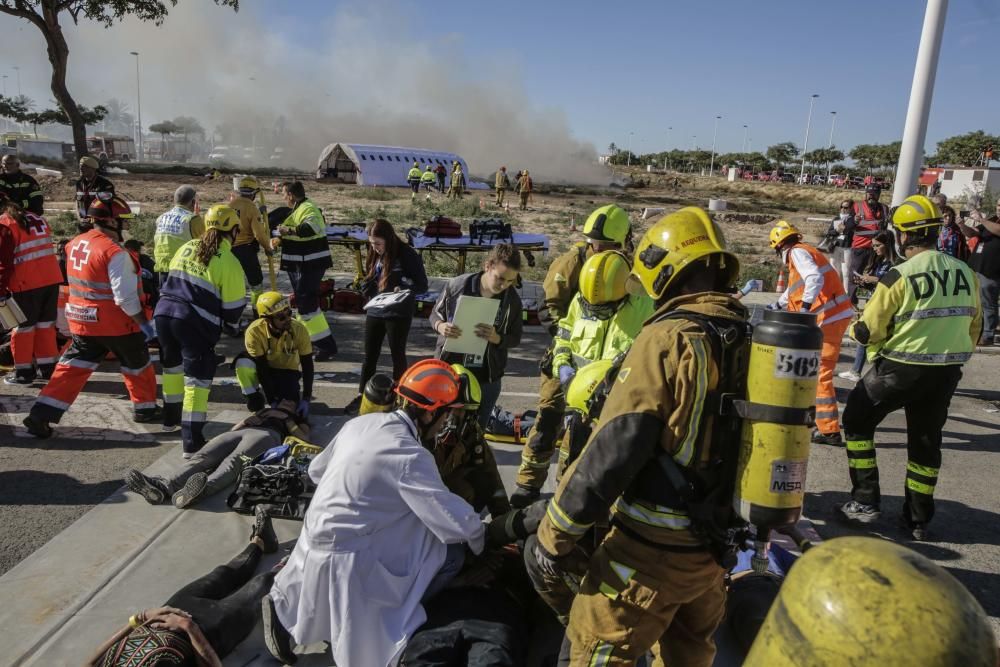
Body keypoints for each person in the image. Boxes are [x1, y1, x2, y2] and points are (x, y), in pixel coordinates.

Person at [534, 207, 747, 666]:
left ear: (663, 269)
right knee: (689, 654)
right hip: (711, 554)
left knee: (592, 646)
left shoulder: (667, 337)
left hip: (650, 553)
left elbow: (618, 443)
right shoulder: (750, 338)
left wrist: (554, 534)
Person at [263, 359, 486, 666]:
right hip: (350, 560)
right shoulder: (410, 455)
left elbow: (316, 470)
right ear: (430, 411)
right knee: (450, 554)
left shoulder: (359, 424)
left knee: (405, 520)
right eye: (447, 413)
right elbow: (452, 520)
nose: (447, 422)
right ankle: (401, 615)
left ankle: (283, 613)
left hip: (311, 542)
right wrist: (482, 536)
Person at [837, 195, 981, 541]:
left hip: (899, 368)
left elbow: (868, 330)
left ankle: (865, 501)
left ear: (902, 236)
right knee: (926, 441)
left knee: (856, 421)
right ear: (934, 231)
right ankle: (917, 520)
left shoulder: (900, 276)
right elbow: (975, 325)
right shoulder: (965, 273)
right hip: (946, 371)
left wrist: (848, 327)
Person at [514, 204, 632, 507]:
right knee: (547, 423)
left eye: (610, 247)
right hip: (565, 360)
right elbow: (549, 308)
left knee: (580, 437)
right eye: (598, 246)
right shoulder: (573, 263)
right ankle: (527, 487)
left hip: (599, 372)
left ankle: (565, 494)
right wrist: (565, 353)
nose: (602, 252)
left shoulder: (627, 269)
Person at [23, 196, 159, 439]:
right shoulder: (115, 252)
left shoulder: (75, 243)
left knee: (71, 369)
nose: (125, 226)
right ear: (109, 220)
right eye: (122, 221)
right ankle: (146, 410)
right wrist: (145, 326)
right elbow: (125, 298)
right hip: (118, 324)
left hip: (81, 320)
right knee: (137, 364)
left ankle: (40, 414)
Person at [85, 506, 279, 667]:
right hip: (209, 633)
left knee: (222, 574)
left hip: (167, 615)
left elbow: (91, 662)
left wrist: (140, 618)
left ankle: (261, 542)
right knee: (264, 584)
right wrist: (190, 628)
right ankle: (295, 566)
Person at [155, 204, 247, 454]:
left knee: (172, 367)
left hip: (163, 314)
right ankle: (191, 442)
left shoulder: (186, 247)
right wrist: (231, 327)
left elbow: (168, 278)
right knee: (197, 381)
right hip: (191, 323)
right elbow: (233, 308)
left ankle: (170, 418)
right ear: (234, 231)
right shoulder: (229, 261)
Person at [126, 400, 310, 509]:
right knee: (203, 457)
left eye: (291, 402)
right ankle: (164, 487)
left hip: (266, 436)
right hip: (241, 432)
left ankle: (199, 491)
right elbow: (234, 428)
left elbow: (304, 438)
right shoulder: (263, 411)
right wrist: (246, 422)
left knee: (233, 462)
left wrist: (287, 421)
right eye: (284, 400)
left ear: (295, 408)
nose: (286, 402)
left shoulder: (296, 419)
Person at [769, 220, 852, 445]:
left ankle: (829, 431)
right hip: (832, 317)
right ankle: (822, 423)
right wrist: (777, 305)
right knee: (817, 371)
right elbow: (795, 288)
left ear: (779, 246)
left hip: (829, 318)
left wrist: (805, 309)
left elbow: (814, 278)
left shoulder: (796, 253)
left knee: (821, 372)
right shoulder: (803, 253)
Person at [430, 243, 523, 428]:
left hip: (487, 378)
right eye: (500, 278)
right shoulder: (457, 286)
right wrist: (440, 326)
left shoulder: (512, 300)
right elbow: (434, 314)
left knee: (475, 433)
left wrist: (498, 338)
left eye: (510, 281)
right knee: (439, 427)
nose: (504, 285)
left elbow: (516, 337)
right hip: (450, 371)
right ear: (488, 266)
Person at [343, 219, 428, 415]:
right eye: (371, 244)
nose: (375, 248)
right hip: (376, 309)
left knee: (397, 355)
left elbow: (422, 284)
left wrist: (404, 286)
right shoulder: (375, 252)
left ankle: (401, 397)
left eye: (378, 244)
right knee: (369, 356)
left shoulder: (406, 254)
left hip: (398, 312)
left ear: (388, 239)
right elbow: (374, 276)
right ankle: (361, 395)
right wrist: (367, 285)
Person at [434, 364, 511, 518]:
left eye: (464, 411)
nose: (455, 417)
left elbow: (490, 475)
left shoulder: (471, 431)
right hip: (417, 506)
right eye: (450, 409)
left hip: (448, 497)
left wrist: (505, 522)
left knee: (477, 483)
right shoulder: (414, 433)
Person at [0, 198, 63, 384]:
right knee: (45, 326)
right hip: (51, 279)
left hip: (25, 283)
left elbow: (4, 262)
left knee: (23, 329)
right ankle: (49, 368)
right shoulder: (36, 218)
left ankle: (23, 372)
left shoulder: (5, 224)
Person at [275, 180, 337, 360]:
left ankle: (325, 346)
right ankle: (303, 340)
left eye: (284, 194)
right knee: (303, 304)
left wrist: (288, 231)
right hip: (302, 264)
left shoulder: (308, 208)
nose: (283, 198)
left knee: (307, 304)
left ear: (291, 196)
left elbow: (311, 228)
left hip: (310, 263)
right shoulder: (300, 208)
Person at [234, 292, 313, 414]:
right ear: (267, 320)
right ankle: (253, 397)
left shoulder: (299, 330)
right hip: (264, 367)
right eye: (281, 317)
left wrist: (307, 398)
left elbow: (307, 365)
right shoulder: (254, 332)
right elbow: (262, 367)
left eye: (289, 313)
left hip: (287, 370)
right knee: (243, 364)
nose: (288, 319)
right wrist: (272, 400)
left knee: (289, 406)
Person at [839, 231, 894, 383]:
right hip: (873, 303)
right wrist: (865, 283)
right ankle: (856, 371)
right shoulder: (879, 261)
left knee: (872, 338)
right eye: (873, 246)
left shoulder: (895, 263)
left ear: (887, 244)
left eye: (878, 245)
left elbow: (893, 282)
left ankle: (873, 373)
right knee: (864, 335)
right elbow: (877, 286)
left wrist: (875, 279)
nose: (875, 249)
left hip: (886, 307)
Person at [958, 199, 1000, 345]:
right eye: (998, 204)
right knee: (974, 302)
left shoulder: (993, 223)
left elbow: (998, 230)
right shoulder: (993, 220)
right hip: (976, 267)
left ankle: (988, 335)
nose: (999, 207)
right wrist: (962, 225)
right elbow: (973, 233)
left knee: (988, 303)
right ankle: (974, 331)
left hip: (992, 271)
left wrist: (981, 218)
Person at [228, 176, 273, 313]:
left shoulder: (230, 205)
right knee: (256, 283)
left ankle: (232, 316)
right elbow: (258, 234)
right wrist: (268, 247)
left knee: (231, 283)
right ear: (253, 193)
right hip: (245, 250)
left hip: (228, 249)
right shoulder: (252, 208)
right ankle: (257, 312)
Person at [844, 184, 889, 302]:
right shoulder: (857, 206)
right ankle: (851, 301)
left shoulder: (884, 208)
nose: (871, 196)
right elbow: (847, 226)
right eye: (869, 193)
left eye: (874, 194)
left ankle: (870, 301)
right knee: (855, 275)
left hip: (878, 249)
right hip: (860, 247)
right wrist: (854, 221)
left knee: (875, 275)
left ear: (879, 195)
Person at [153, 185, 205, 284]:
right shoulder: (192, 219)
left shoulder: (161, 218)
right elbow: (204, 244)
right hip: (183, 271)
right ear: (193, 202)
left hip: (163, 269)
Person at [74, 156, 115, 221]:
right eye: (80, 166)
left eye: (85, 166)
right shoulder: (79, 183)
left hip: (100, 222)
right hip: (83, 221)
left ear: (93, 169)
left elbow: (108, 203)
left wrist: (95, 218)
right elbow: (78, 201)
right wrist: (80, 217)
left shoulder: (104, 183)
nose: (81, 168)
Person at [123, 239, 159, 311]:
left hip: (148, 300)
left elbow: (156, 279)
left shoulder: (147, 261)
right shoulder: (123, 261)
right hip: (132, 300)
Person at [831, 199, 855, 288]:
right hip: (836, 246)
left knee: (845, 272)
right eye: (841, 207)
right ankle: (835, 290)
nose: (843, 209)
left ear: (851, 208)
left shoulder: (852, 219)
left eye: (846, 207)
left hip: (846, 248)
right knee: (834, 270)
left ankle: (845, 293)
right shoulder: (836, 219)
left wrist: (844, 228)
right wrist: (837, 230)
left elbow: (849, 229)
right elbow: (829, 232)